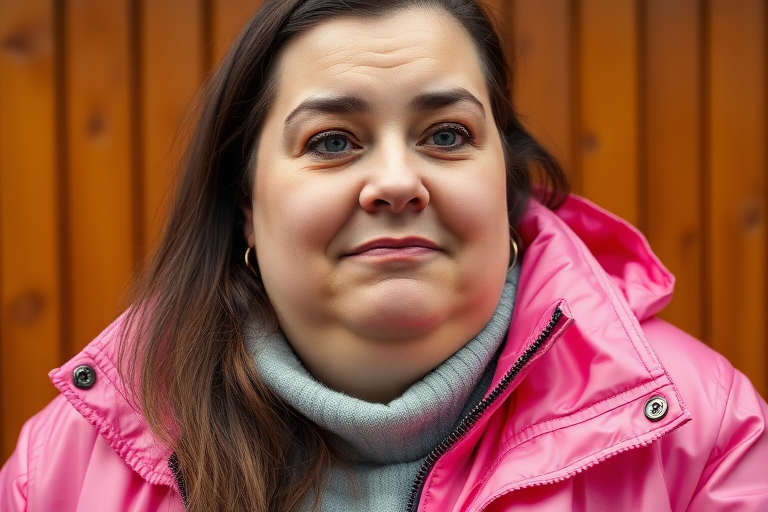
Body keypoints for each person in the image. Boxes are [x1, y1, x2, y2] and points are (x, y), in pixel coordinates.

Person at [2, 0, 768, 510]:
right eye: (333, 141)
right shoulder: (69, 469)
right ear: (244, 202)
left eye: (446, 135)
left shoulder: (698, 436)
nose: (398, 183)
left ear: (506, 180)